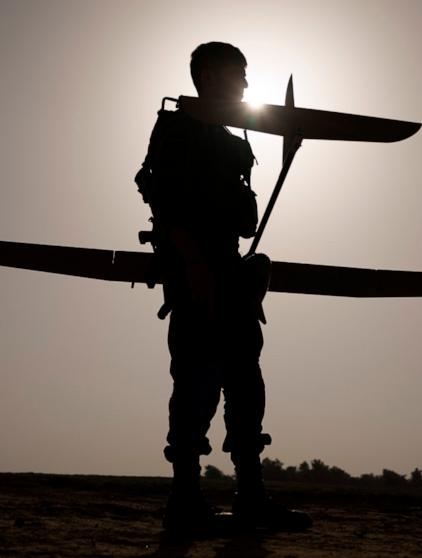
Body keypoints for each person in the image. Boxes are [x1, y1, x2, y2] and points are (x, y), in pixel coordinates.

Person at [134, 42, 311, 534]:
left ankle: (251, 498)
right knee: (195, 381)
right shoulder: (178, 125)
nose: (247, 85)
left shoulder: (229, 134)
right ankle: (185, 503)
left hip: (227, 265)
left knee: (244, 382)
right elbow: (163, 197)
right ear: (210, 75)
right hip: (195, 268)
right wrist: (192, 264)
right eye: (240, 73)